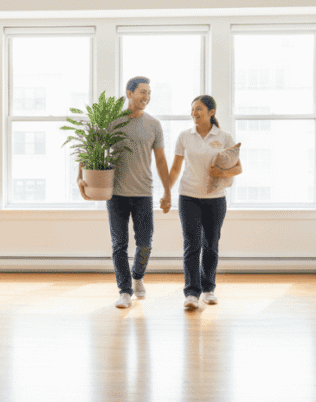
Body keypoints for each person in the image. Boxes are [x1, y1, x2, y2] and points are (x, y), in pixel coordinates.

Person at [77, 77, 172, 309]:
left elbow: (161, 160)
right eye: (142, 92)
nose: (146, 97)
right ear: (129, 93)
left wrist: (168, 191)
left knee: (145, 243)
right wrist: (80, 178)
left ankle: (137, 276)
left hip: (143, 193)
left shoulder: (154, 125)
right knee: (119, 244)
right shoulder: (113, 121)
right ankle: (125, 291)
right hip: (116, 193)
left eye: (149, 93)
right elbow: (89, 147)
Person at [167, 95, 238, 310]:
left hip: (215, 199)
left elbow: (236, 167)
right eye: (192, 109)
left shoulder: (224, 137)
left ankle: (208, 289)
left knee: (211, 245)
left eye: (198, 109)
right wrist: (166, 192)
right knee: (192, 245)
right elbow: (176, 167)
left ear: (211, 112)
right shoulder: (184, 136)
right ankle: (191, 293)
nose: (194, 113)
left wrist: (220, 172)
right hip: (188, 196)